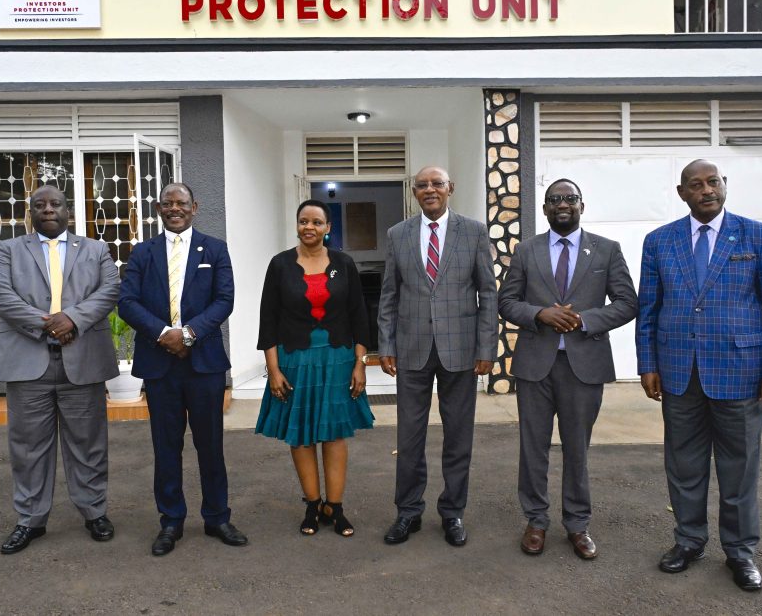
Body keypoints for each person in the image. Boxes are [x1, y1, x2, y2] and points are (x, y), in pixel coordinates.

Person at [636, 159, 762, 591]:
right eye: (696, 184)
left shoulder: (760, 237)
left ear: (724, 186)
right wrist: (647, 364)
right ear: (682, 192)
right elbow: (648, 309)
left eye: (713, 182)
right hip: (679, 373)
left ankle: (740, 553)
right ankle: (688, 541)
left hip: (741, 374)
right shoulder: (659, 241)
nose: (706, 190)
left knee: (739, 470)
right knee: (683, 466)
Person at [498, 178, 637, 560]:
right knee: (534, 449)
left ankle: (578, 525)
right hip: (535, 366)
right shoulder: (526, 251)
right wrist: (539, 313)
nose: (563, 204)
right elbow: (507, 302)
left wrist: (584, 320)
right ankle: (536, 521)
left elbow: (627, 302)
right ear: (544, 209)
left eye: (570, 199)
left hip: (584, 366)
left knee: (577, 449)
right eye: (555, 199)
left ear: (581, 205)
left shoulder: (607, 251)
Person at [0, 185, 120, 555]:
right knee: (28, 447)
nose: (48, 209)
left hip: (83, 359)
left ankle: (94, 512)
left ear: (68, 211)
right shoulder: (8, 250)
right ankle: (30, 520)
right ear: (30, 212)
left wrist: (72, 318)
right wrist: (47, 323)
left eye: (55, 203)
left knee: (88, 443)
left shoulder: (96, 249)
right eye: (39, 204)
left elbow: (110, 291)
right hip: (28, 362)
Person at [118, 182, 247, 556]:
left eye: (182, 203)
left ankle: (217, 517)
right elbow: (127, 302)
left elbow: (225, 300)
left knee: (211, 446)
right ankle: (171, 521)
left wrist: (188, 334)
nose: (175, 208)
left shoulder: (215, 249)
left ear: (195, 207)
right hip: (160, 365)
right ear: (159, 208)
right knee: (166, 447)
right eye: (168, 203)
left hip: (203, 364)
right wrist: (164, 334)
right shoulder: (143, 252)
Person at [378, 166, 498, 547]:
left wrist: (486, 349)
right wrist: (387, 345)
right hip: (411, 350)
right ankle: (408, 512)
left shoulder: (474, 231)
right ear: (414, 193)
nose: (429, 190)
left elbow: (488, 294)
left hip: (461, 351)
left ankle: (453, 513)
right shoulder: (398, 234)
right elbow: (389, 295)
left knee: (458, 437)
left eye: (436, 184)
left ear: (450, 189)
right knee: (409, 437)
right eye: (422, 186)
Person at [255, 199, 375, 536]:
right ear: (297, 225)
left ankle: (334, 508)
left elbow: (359, 317)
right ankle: (312, 504)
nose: (310, 227)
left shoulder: (344, 263)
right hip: (295, 361)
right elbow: (269, 322)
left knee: (334, 434)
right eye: (304, 221)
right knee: (303, 434)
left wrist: (360, 363)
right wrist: (274, 370)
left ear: (328, 227)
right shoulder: (279, 265)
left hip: (337, 360)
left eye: (317, 222)